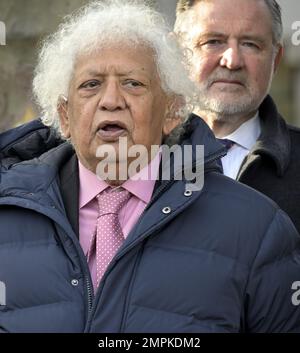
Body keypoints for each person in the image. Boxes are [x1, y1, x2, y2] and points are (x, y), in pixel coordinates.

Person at [0, 0, 300, 333]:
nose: (111, 100)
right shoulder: (8, 215)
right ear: (65, 116)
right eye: (91, 84)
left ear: (172, 112)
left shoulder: (256, 226)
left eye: (133, 83)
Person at [174, 0, 300, 234]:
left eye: (250, 44)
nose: (232, 61)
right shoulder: (140, 158)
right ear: (179, 52)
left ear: (276, 59)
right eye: (213, 41)